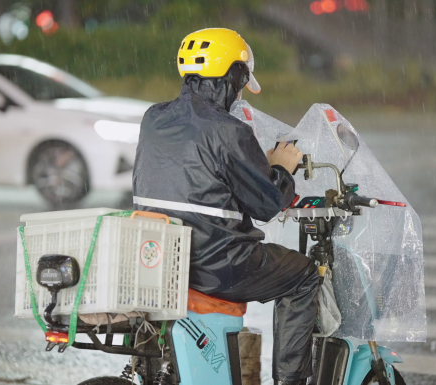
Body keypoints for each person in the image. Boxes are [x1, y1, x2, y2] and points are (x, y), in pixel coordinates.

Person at [131, 28, 319, 385]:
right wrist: (280, 167)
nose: (240, 90)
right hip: (218, 265)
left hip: (162, 259)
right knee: (304, 275)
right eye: (241, 80)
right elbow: (267, 202)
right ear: (232, 76)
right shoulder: (230, 131)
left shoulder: (153, 117)